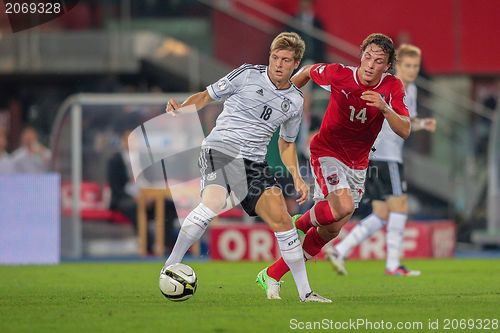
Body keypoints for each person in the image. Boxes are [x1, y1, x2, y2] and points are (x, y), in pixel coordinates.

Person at [160, 32, 330, 303]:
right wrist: (182, 108)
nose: (278, 64)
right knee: (213, 202)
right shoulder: (248, 75)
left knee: (284, 219)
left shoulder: (295, 101)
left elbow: (287, 144)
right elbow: (205, 96)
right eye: (275, 57)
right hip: (220, 148)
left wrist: (297, 177)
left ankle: (305, 293)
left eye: (285, 60)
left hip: (254, 163)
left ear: (295, 64)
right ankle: (169, 267)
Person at [259, 33, 411, 298]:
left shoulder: (392, 87)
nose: (370, 65)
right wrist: (281, 99)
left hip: (359, 164)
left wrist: (386, 108)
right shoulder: (339, 74)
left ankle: (272, 274)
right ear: (360, 55)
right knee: (343, 206)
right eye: (367, 57)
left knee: (331, 230)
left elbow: (405, 130)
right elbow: (306, 72)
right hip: (326, 151)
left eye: (378, 61)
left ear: (387, 66)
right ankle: (301, 222)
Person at [324, 44, 437, 276]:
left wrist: (423, 124)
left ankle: (341, 249)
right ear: (397, 66)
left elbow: (405, 123)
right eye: (407, 65)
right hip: (386, 156)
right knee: (400, 206)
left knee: (382, 213)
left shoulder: (409, 90)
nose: (412, 70)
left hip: (375, 157)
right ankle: (393, 265)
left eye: (416, 66)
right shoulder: (390, 85)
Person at [107, 129, 178, 253]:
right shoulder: (114, 160)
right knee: (135, 208)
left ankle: (168, 243)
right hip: (126, 198)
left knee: (169, 205)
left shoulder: (145, 159)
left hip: (148, 196)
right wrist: (137, 197)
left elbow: (152, 180)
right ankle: (148, 247)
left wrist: (150, 195)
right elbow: (116, 188)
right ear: (123, 141)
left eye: (134, 140)